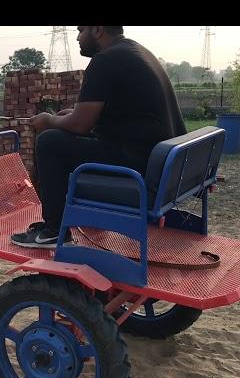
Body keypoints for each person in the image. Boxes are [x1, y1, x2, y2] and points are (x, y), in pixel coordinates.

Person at [11, 26, 186, 249]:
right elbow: (105, 114)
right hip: (158, 162)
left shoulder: (105, 60)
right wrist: (72, 114)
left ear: (98, 30)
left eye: (81, 30)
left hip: (139, 167)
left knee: (49, 142)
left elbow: (80, 124)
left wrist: (49, 120)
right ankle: (63, 221)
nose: (77, 37)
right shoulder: (135, 52)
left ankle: (54, 230)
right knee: (61, 135)